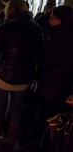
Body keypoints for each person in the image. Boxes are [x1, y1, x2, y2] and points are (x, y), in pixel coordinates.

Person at [0, 0, 43, 149]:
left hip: (3, 75)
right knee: (17, 108)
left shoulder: (5, 27)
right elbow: (39, 52)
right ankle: (10, 140)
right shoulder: (35, 28)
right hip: (24, 77)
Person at [34, 5, 73, 143]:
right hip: (49, 85)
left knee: (48, 117)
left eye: (52, 18)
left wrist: (44, 74)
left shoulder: (67, 41)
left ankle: (42, 145)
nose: (49, 21)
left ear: (61, 20)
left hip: (54, 87)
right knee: (45, 115)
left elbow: (64, 67)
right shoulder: (56, 35)